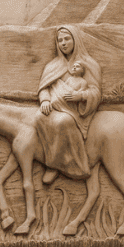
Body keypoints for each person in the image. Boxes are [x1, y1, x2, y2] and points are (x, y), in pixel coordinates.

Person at [37, 25, 101, 186]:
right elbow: (44, 88)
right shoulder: (52, 66)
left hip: (74, 112)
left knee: (62, 121)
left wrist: (81, 96)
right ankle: (50, 158)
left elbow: (96, 93)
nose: (63, 43)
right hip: (53, 107)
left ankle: (59, 165)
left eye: (67, 39)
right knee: (38, 117)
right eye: (60, 40)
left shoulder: (88, 65)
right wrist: (44, 100)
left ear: (75, 40)